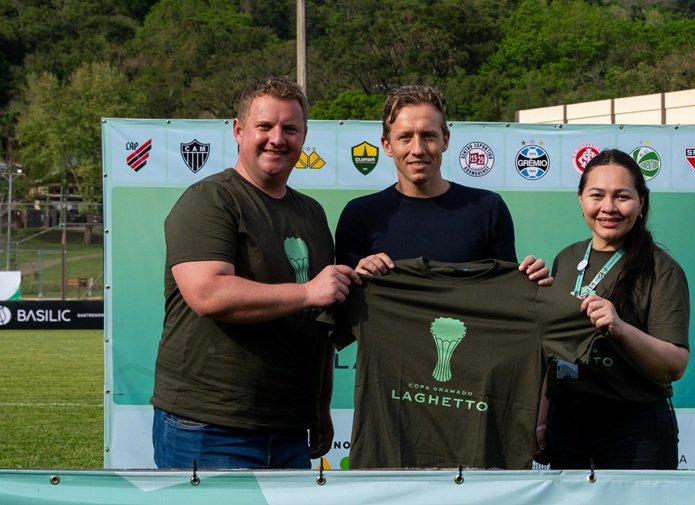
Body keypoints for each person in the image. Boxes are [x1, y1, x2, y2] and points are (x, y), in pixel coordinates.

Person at [150, 77, 361, 470]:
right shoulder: (210, 199)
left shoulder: (312, 213)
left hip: (289, 426)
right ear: (238, 129)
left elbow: (321, 324)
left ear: (304, 136)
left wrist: (320, 405)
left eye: (290, 129)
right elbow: (208, 295)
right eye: (265, 127)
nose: (277, 139)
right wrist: (308, 293)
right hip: (209, 425)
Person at [534, 149, 691, 470]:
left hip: (633, 429)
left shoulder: (662, 269)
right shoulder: (566, 258)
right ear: (580, 199)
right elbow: (553, 352)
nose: (608, 207)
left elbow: (674, 365)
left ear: (641, 203)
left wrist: (621, 328)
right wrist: (541, 419)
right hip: (567, 425)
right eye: (597, 195)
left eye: (622, 196)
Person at [334, 84, 550, 281]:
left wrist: (532, 281)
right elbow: (346, 304)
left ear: (445, 140)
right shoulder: (359, 215)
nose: (417, 149)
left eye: (428, 136)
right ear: (387, 145)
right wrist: (357, 276)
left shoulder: (488, 208)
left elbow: (507, 292)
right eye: (405, 137)